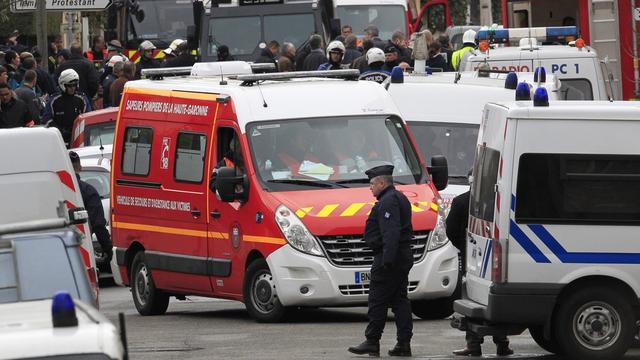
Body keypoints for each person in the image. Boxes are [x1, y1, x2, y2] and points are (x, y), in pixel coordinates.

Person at [348, 164, 414, 357]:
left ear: (382, 183)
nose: (370, 187)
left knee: (377, 300)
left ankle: (372, 341)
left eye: (372, 183)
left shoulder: (388, 202)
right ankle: (403, 344)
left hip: (390, 257)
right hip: (398, 256)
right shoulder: (396, 198)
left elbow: (391, 232)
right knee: (399, 300)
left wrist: (387, 260)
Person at [447, 176, 515, 357]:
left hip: (472, 257)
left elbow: (451, 229)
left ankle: (473, 344)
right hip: (495, 256)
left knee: (471, 299)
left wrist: (463, 246)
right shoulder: (495, 202)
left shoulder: (461, 201)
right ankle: (502, 343)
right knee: (494, 299)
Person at [69, 151, 113, 263]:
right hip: (82, 248)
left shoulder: (49, 190)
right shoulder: (89, 192)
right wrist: (108, 250)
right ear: (79, 167)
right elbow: (98, 225)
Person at [43, 69, 91, 146]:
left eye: (75, 85)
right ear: (63, 85)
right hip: (59, 138)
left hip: (78, 136)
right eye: (69, 86)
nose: (73, 88)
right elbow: (46, 118)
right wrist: (58, 130)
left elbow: (88, 117)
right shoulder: (54, 100)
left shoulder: (82, 99)